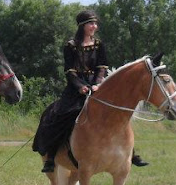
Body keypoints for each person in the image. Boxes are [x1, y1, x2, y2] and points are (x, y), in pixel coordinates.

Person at [32, 9, 148, 173]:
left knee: (117, 116)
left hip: (97, 88)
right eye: (91, 23)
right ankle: (51, 157)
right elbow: (69, 71)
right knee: (60, 115)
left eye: (95, 23)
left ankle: (131, 153)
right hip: (75, 90)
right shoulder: (70, 46)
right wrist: (80, 86)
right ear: (82, 26)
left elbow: (102, 67)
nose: (94, 26)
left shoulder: (99, 45)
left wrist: (98, 84)